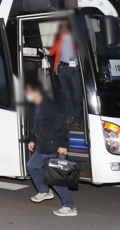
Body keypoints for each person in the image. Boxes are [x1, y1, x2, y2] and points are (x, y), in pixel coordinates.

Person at [23, 80, 76, 217]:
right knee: (32, 166)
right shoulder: (39, 107)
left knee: (56, 178)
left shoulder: (51, 107)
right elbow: (39, 128)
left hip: (53, 148)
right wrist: (32, 140)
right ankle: (45, 191)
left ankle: (69, 206)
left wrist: (63, 145)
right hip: (42, 147)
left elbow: (63, 127)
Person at [50, 21, 82, 129]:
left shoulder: (76, 38)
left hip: (75, 69)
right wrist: (46, 51)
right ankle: (70, 117)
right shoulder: (59, 39)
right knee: (67, 95)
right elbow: (53, 50)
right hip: (62, 68)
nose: (62, 28)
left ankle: (77, 119)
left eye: (64, 26)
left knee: (76, 95)